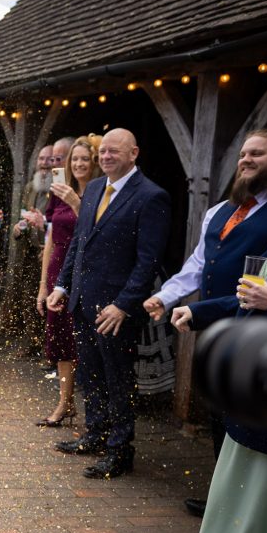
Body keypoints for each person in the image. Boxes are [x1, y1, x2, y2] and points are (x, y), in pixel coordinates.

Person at [144, 128, 267, 516]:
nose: (246, 160)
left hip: (260, 333)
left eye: (258, 153)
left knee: (250, 416)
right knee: (219, 410)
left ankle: (248, 506)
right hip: (217, 330)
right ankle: (223, 497)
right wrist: (164, 296)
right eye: (243, 154)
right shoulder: (219, 211)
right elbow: (199, 264)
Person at [47, 128, 170, 479]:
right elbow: (79, 244)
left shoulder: (151, 196)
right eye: (104, 152)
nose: (106, 157)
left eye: (115, 152)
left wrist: (124, 305)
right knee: (90, 374)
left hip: (117, 310)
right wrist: (61, 286)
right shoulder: (95, 189)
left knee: (118, 380)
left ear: (134, 153)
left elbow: (148, 262)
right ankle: (94, 435)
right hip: (83, 302)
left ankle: (120, 450)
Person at [169, 245, 267, 533]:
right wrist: (198, 311)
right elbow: (246, 304)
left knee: (260, 520)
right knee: (236, 516)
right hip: (252, 409)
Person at [35, 135, 103, 425]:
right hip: (58, 268)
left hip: (85, 270)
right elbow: (51, 237)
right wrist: (43, 285)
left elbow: (98, 231)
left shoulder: (101, 194)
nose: (78, 164)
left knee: (84, 341)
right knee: (61, 340)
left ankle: (95, 410)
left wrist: (77, 203)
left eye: (84, 159)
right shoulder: (60, 191)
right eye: (74, 159)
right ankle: (65, 403)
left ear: (94, 163)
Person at [5, 145, 56, 355]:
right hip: (29, 254)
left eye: (49, 159)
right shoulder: (30, 186)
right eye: (41, 158)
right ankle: (32, 342)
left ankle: (49, 350)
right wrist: (18, 228)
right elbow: (25, 214)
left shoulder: (59, 188)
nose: (44, 162)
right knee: (28, 298)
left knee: (49, 301)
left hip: (49, 253)